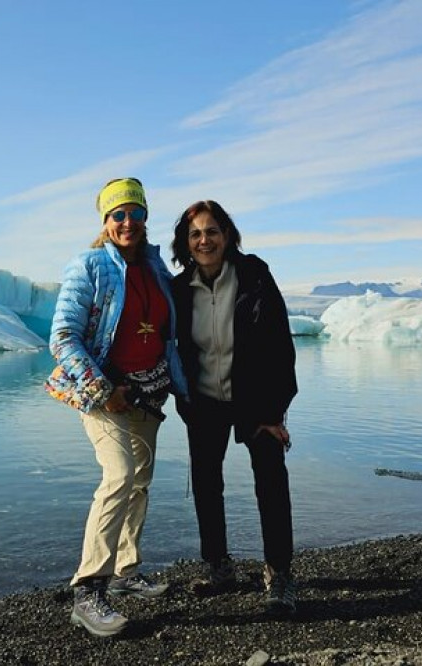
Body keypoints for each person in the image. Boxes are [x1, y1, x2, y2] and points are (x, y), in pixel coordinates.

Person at [45, 178, 188, 637]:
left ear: (146, 217)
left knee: (140, 481)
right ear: (106, 221)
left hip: (149, 392)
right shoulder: (88, 266)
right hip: (104, 394)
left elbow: (168, 332)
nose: (128, 222)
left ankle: (126, 570)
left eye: (136, 213)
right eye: (118, 214)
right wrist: (103, 389)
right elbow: (62, 338)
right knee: (120, 475)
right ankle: (89, 589)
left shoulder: (156, 267)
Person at [170, 200, 299, 613]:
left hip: (256, 401)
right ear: (186, 242)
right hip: (205, 402)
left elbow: (280, 346)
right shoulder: (179, 288)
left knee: (271, 482)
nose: (204, 240)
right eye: (195, 234)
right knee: (206, 484)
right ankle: (218, 567)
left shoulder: (254, 276)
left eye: (212, 231)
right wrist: (184, 401)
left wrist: (274, 412)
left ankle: (279, 573)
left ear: (227, 236)